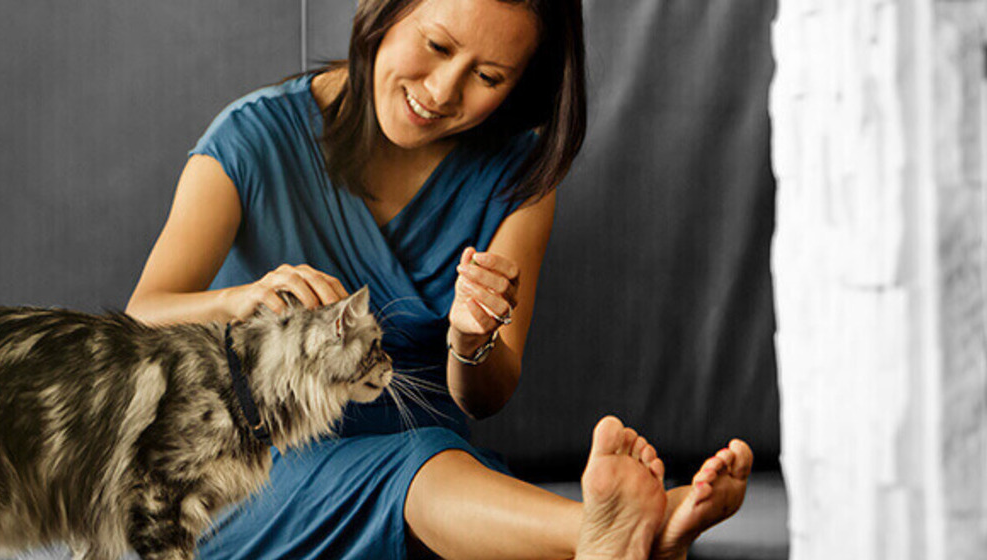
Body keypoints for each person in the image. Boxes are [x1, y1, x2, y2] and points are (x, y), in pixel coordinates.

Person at [125, 0, 752, 558]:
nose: (444, 91)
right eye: (437, 46)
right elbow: (138, 322)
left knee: (428, 462)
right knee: (416, 465)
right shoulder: (250, 138)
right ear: (386, 11)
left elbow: (486, 393)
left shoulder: (520, 177)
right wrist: (244, 299)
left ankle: (619, 537)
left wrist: (471, 338)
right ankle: (606, 529)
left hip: (437, 481)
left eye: (488, 77)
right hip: (241, 473)